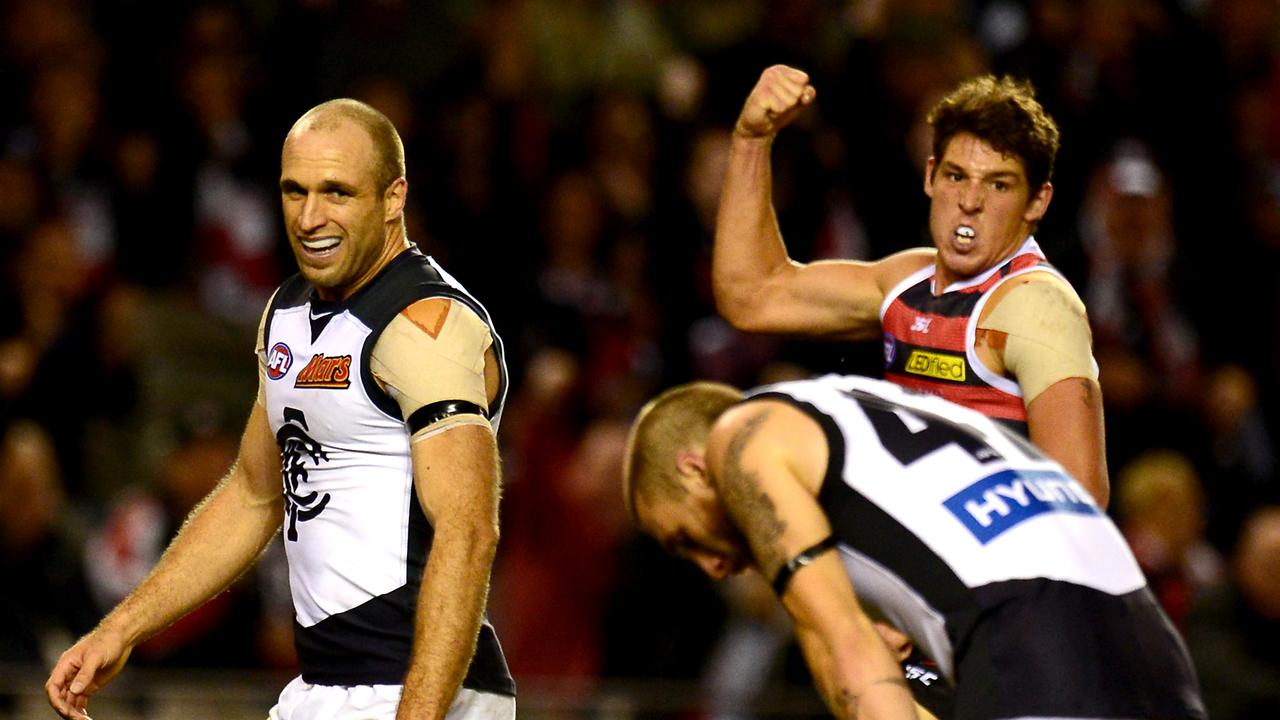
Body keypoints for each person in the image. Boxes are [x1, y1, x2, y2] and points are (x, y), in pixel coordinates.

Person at [45, 99, 516, 720]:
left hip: (418, 690)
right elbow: (253, 493)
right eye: (295, 192)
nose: (310, 217)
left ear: (394, 197)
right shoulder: (287, 312)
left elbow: (469, 529)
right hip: (322, 686)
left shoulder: (426, 325)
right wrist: (123, 628)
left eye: (337, 193)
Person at [623, 373, 1206, 720]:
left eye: (685, 540)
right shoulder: (862, 408)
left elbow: (849, 657)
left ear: (697, 468)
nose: (713, 567)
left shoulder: (740, 440)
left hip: (1024, 634)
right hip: (1149, 642)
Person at [712, 65, 1108, 508]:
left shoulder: (1037, 307)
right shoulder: (905, 283)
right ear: (930, 176)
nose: (970, 202)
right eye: (957, 176)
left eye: (999, 184)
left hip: (991, 568)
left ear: (1037, 202)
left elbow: (1080, 500)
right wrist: (751, 142)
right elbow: (752, 295)